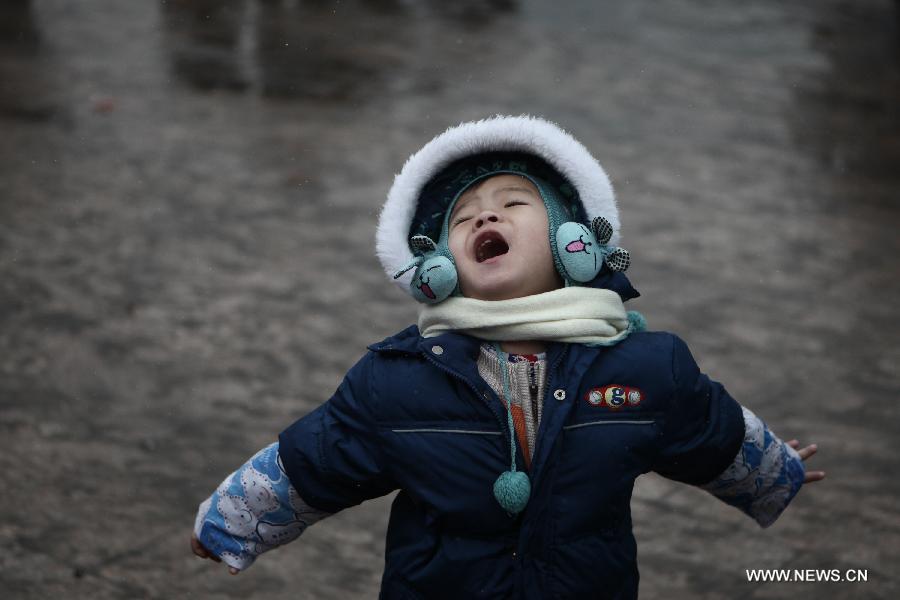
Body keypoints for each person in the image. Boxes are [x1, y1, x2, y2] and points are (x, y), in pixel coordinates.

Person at [191, 115, 825, 599]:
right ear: (437, 271)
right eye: (462, 219)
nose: (484, 213)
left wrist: (769, 469)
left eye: (515, 203)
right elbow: (313, 462)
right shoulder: (396, 380)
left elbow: (703, 427)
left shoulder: (640, 366)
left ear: (573, 244)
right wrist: (229, 525)